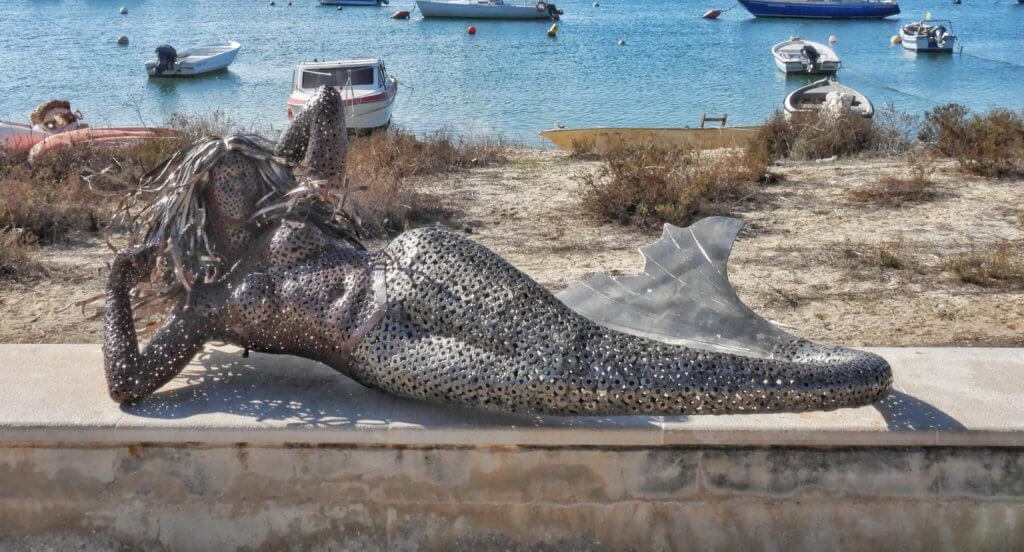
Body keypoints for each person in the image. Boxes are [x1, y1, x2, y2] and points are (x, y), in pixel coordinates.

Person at [104, 86, 891, 415]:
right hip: (383, 346)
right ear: (199, 206)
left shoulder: (294, 207)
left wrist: (279, 145)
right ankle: (801, 381)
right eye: (225, 183)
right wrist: (117, 287)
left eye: (244, 173)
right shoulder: (209, 303)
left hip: (413, 264)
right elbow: (129, 385)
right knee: (558, 381)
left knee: (580, 345)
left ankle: (809, 370)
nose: (240, 188)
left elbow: (332, 111)